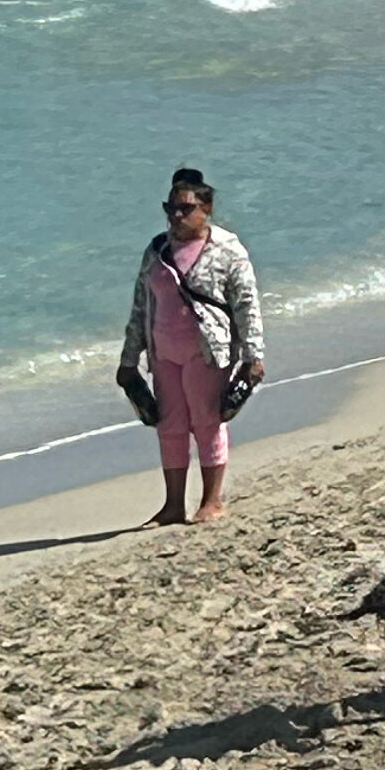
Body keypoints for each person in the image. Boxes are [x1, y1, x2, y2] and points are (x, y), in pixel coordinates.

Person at [116, 166, 264, 528]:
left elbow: (247, 304)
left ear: (207, 208)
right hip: (163, 353)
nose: (177, 216)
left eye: (186, 209)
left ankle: (212, 501)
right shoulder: (157, 250)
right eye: (171, 209)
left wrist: (253, 356)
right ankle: (172, 506)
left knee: (207, 422)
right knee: (171, 426)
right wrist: (129, 360)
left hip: (208, 352)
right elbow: (140, 306)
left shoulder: (228, 249)